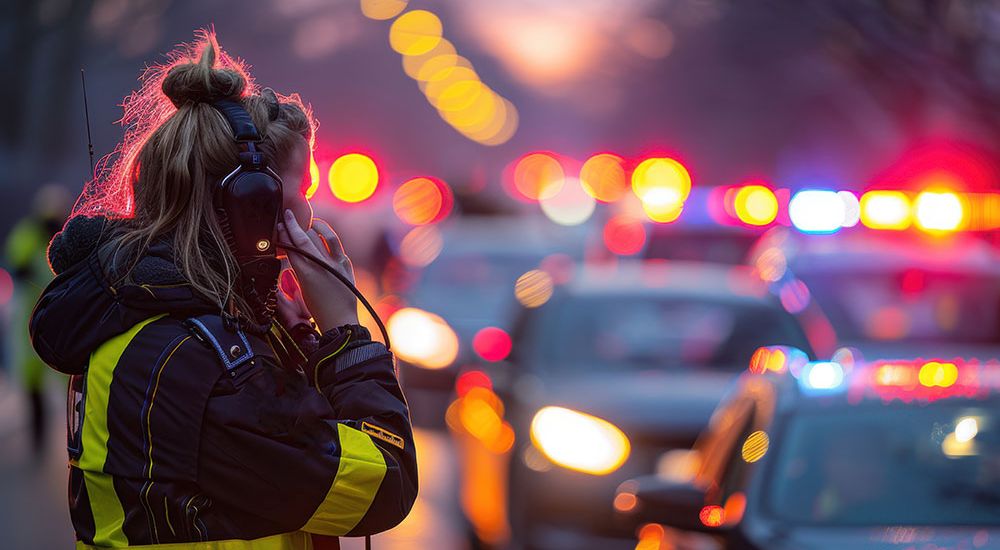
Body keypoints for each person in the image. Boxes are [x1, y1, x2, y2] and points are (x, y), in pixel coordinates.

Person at [29, 32, 417, 549]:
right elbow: (382, 483)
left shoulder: (147, 319)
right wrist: (345, 332)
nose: (308, 213)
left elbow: (288, 436)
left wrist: (298, 331)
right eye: (301, 192)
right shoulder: (198, 365)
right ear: (251, 204)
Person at [4, 183, 71, 454]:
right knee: (33, 381)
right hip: (30, 316)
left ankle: (71, 436)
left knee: (69, 381)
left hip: (58, 314)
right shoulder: (29, 234)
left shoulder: (66, 235)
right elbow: (17, 264)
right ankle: (38, 439)